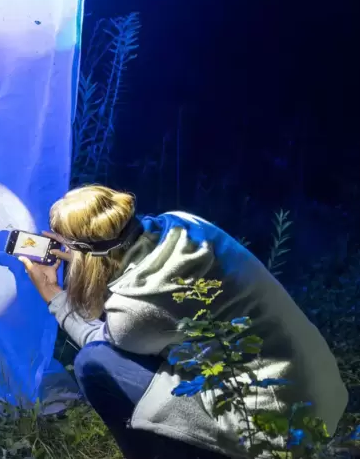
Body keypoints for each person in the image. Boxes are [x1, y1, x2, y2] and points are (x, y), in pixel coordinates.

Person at [18, 185, 348, 459]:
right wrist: (87, 257)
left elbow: (102, 338)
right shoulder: (184, 224)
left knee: (95, 363)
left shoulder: (134, 313)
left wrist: (53, 294)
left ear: (85, 257)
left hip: (274, 432)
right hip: (320, 396)